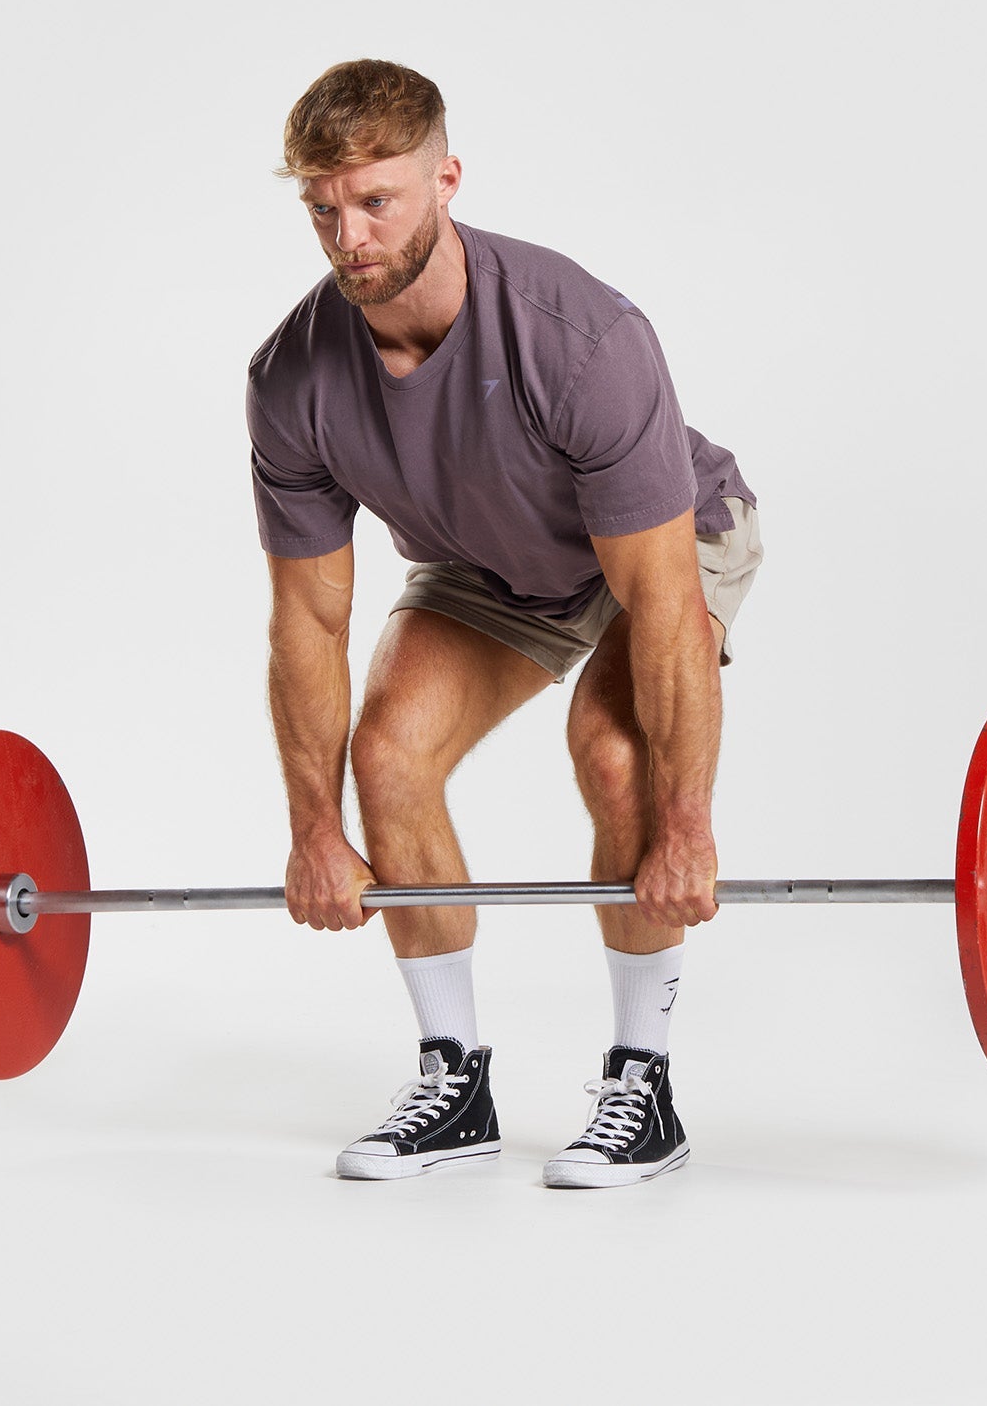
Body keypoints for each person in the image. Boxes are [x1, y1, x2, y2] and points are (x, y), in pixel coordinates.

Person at [246, 59, 761, 1187]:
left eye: (376, 198)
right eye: (323, 206)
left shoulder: (581, 339)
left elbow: (664, 603)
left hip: (666, 538)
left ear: (446, 180)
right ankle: (454, 1075)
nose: (350, 234)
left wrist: (686, 824)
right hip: (488, 558)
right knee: (387, 754)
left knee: (615, 750)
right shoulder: (293, 379)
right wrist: (314, 831)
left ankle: (644, 1079)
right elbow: (307, 625)